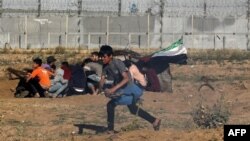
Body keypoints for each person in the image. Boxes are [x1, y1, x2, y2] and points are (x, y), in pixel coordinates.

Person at [98, 45, 161, 133]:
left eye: (104, 57)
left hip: (131, 88)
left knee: (111, 105)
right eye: (101, 56)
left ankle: (110, 129)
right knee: (132, 108)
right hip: (124, 89)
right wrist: (102, 88)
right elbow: (102, 80)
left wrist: (112, 90)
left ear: (110, 56)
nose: (102, 59)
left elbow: (126, 78)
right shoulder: (105, 66)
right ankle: (154, 121)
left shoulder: (117, 63)